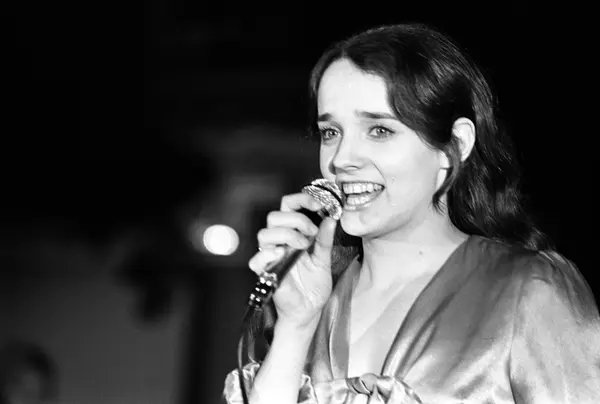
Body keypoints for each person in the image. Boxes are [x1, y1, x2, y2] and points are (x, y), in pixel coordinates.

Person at [222, 23, 600, 404]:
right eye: (331, 133)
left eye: (379, 131)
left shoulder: (528, 291)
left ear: (455, 145)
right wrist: (296, 326)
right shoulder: (309, 300)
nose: (342, 159)